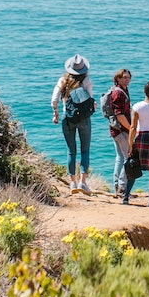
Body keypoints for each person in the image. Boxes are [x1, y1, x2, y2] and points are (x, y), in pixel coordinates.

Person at [51, 55, 95, 194]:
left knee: (71, 151)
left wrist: (56, 114)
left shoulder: (63, 80)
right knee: (85, 150)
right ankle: (83, 182)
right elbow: (91, 100)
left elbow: (54, 99)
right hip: (83, 119)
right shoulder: (87, 80)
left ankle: (73, 183)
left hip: (68, 118)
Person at [103, 68, 134, 197]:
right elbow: (119, 114)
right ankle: (122, 188)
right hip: (121, 130)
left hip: (115, 130)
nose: (127, 79)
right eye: (124, 77)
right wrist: (131, 127)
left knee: (120, 158)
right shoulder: (119, 93)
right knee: (128, 157)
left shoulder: (121, 90)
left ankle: (117, 186)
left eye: (128, 77)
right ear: (118, 79)